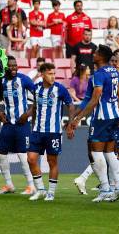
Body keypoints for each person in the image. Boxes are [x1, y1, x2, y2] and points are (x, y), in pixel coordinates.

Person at [70, 45, 119, 202]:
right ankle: (118, 186)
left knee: (96, 152)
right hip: (113, 116)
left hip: (101, 117)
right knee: (109, 152)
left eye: (96, 53)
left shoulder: (98, 74)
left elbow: (95, 98)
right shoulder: (114, 72)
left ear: (102, 57)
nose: (94, 54)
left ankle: (105, 188)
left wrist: (79, 119)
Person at [25, 62, 75, 201]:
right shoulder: (36, 89)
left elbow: (70, 106)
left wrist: (70, 123)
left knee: (52, 161)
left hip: (53, 132)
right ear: (42, 74)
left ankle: (51, 192)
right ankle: (41, 189)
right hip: (37, 131)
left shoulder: (60, 89)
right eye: (50, 74)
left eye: (54, 74)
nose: (53, 77)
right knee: (31, 159)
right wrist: (33, 124)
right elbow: (35, 107)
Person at [0, 56, 36, 195]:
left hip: (22, 124)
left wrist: (28, 113)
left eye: (15, 65)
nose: (14, 68)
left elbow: (40, 96)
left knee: (23, 155)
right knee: (1, 153)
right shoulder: (1, 81)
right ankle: (9, 185)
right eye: (11, 66)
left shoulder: (24, 79)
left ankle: (31, 186)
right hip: (8, 123)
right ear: (5, 68)